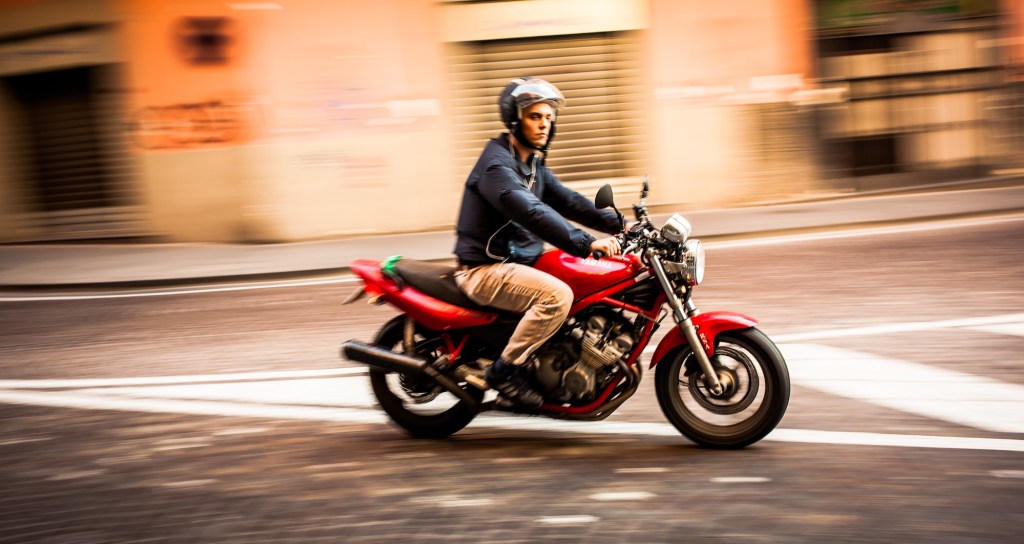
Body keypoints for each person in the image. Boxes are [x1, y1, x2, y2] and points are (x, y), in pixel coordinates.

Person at [453, 77, 623, 407]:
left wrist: (623, 224)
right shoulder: (496, 166)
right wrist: (586, 242)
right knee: (557, 296)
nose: (544, 124)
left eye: (548, 117)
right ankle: (504, 372)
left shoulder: (532, 163)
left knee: (581, 280)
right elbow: (531, 211)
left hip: (518, 261)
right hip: (485, 268)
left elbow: (570, 201)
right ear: (514, 119)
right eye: (535, 116)